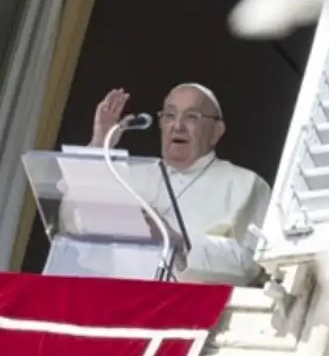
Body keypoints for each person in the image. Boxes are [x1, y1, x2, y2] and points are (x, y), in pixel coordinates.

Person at [86, 83, 271, 286]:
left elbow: (251, 264)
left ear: (217, 131)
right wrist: (99, 144)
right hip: (116, 298)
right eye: (169, 116)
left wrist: (179, 243)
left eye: (192, 117)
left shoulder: (245, 183)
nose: (177, 125)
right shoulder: (130, 175)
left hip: (190, 309)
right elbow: (73, 221)